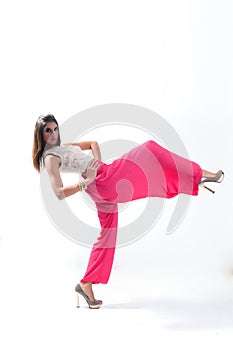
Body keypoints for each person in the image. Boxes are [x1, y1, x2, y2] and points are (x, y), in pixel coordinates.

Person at [32, 114, 224, 309]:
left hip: (100, 180)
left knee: (107, 236)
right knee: (149, 149)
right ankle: (198, 175)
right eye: (48, 130)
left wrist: (97, 166)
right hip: (101, 182)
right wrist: (87, 181)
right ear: (40, 134)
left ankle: (85, 284)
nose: (54, 133)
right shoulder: (50, 158)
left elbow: (93, 144)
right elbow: (59, 193)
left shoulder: (62, 147)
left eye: (55, 129)